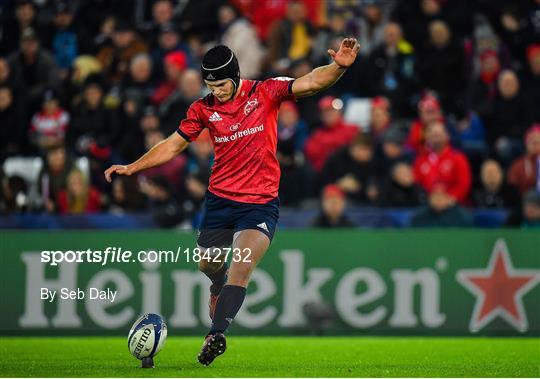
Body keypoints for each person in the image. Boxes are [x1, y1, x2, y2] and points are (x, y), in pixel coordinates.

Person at [105, 38, 360, 366]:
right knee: (208, 265)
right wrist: (133, 166)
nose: (217, 91)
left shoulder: (265, 92)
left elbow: (312, 81)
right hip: (219, 201)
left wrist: (338, 66)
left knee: (241, 268)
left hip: (260, 203)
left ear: (236, 76)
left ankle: (216, 333)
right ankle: (216, 286)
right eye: (210, 85)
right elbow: (172, 145)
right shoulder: (203, 109)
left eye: (221, 84)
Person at [413, 121, 472, 205]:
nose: (436, 138)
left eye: (439, 135)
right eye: (433, 135)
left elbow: (463, 186)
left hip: (453, 206)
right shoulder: (421, 160)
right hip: (428, 206)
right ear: (427, 138)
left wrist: (447, 200)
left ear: (447, 136)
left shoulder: (458, 158)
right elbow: (416, 185)